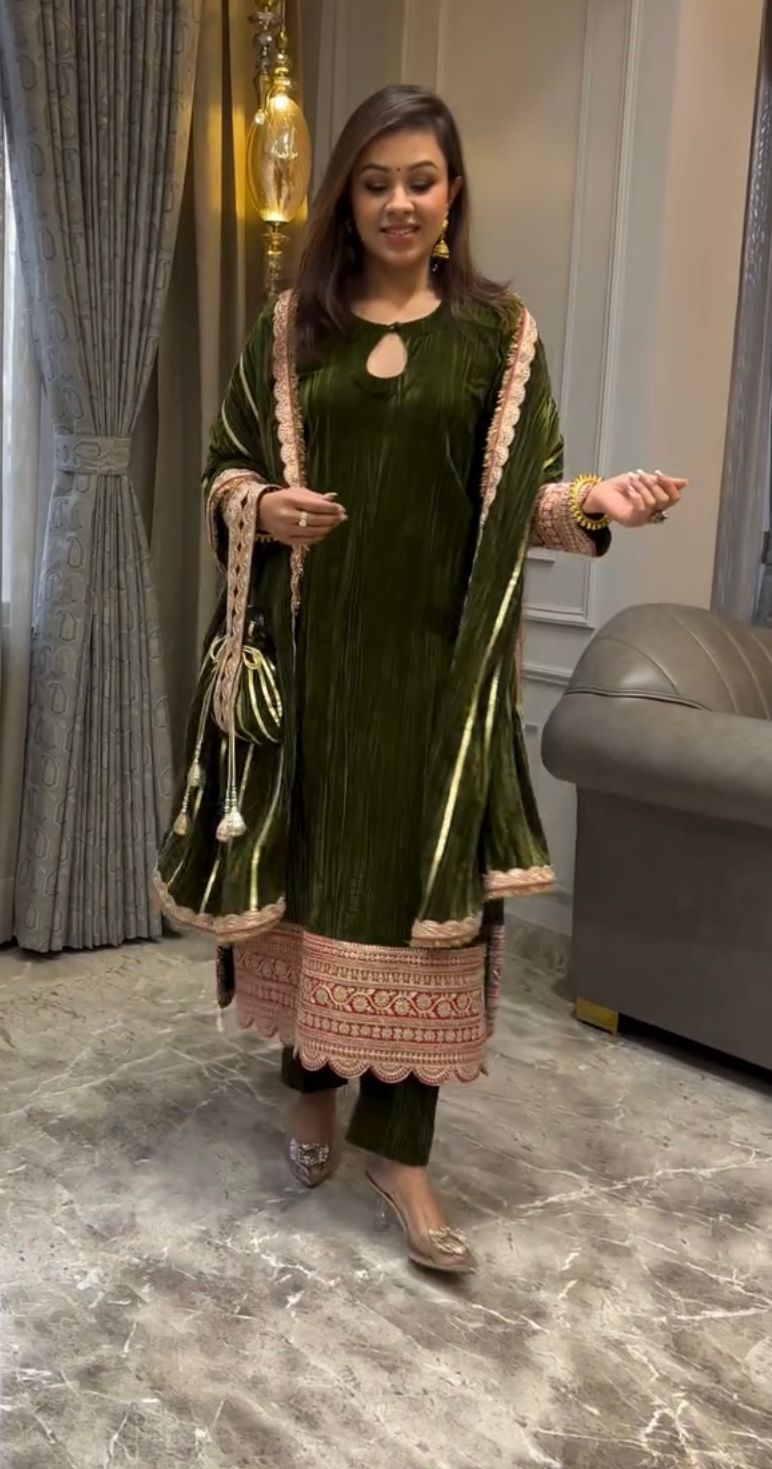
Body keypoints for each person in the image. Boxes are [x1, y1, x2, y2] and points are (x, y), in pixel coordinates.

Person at [155, 85, 685, 1275]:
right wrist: (263, 505)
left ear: (453, 195)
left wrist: (594, 502)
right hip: (313, 661)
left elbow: (528, 499)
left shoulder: (498, 335)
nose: (399, 202)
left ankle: (400, 1151)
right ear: (346, 195)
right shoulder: (293, 325)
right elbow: (223, 465)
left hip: (438, 680)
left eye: (421, 180)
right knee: (312, 877)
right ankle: (309, 1085)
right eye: (376, 181)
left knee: (421, 903)